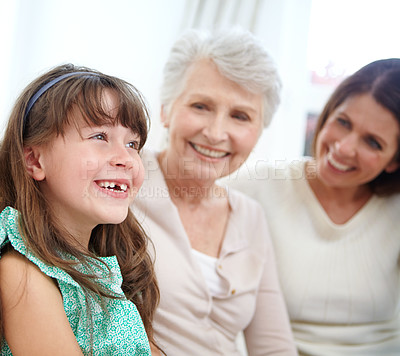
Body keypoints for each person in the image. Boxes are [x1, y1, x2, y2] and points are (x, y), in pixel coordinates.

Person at [132, 28, 298, 355]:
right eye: (201, 106)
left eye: (240, 116)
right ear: (166, 109)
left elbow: (273, 344)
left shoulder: (250, 216)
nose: (216, 132)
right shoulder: (122, 182)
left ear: (258, 131)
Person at [226, 58, 400, 355]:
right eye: (342, 122)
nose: (343, 148)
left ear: (394, 161)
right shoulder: (257, 185)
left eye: (372, 142)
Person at [0, 64, 161, 355]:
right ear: (35, 161)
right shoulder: (22, 271)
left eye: (132, 143)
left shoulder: (110, 271)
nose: (126, 158)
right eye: (99, 136)